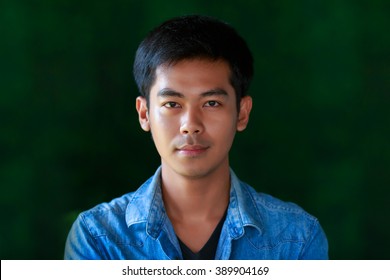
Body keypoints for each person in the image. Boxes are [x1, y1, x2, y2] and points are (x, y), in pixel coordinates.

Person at [64, 15, 328, 260]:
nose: (190, 125)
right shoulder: (98, 238)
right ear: (144, 114)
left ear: (242, 113)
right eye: (172, 104)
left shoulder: (297, 238)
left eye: (211, 103)